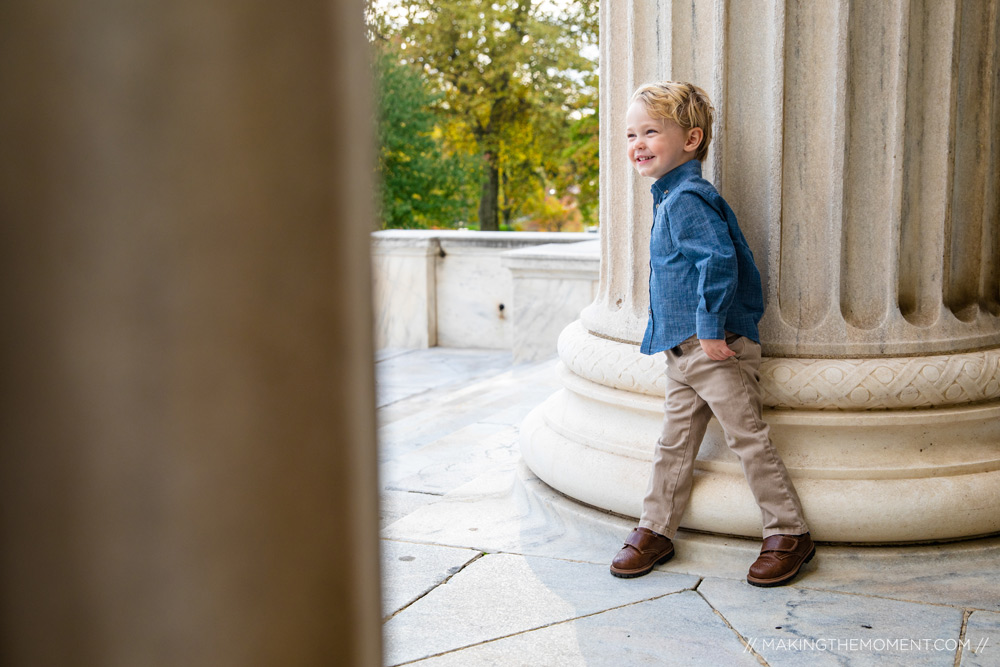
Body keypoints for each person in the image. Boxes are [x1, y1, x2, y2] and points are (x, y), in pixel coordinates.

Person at [609, 81, 814, 587]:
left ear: (692, 139)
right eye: (631, 133)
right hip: (681, 350)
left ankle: (789, 531)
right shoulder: (670, 198)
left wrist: (709, 332)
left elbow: (718, 263)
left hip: (711, 345)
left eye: (651, 131)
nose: (637, 143)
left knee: (748, 437)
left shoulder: (688, 199)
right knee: (674, 444)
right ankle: (656, 528)